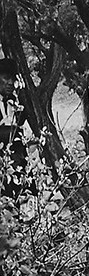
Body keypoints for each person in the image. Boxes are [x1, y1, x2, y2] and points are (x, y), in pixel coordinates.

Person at [0, 57, 29, 197]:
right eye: (6, 78)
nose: (10, 82)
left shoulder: (12, 101)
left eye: (12, 78)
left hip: (15, 160)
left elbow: (20, 121)